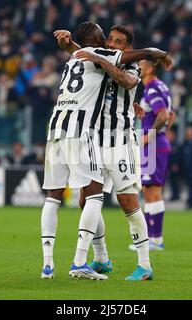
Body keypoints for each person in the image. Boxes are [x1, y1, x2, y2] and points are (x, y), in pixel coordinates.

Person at [39, 21, 172, 281]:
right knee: (86, 198)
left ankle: (144, 265)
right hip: (94, 139)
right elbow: (84, 53)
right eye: (109, 39)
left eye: (118, 42)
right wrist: (69, 46)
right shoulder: (99, 58)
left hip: (120, 143)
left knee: (128, 202)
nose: (111, 44)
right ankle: (100, 258)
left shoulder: (130, 66)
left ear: (127, 48)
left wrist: (101, 58)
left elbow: (125, 80)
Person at [130, 59, 173, 251]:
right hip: (159, 144)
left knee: (151, 192)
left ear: (150, 68)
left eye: (140, 65)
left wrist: (150, 136)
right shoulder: (162, 86)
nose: (137, 68)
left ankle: (154, 240)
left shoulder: (152, 89)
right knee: (152, 192)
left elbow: (163, 114)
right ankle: (154, 239)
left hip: (153, 145)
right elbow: (171, 115)